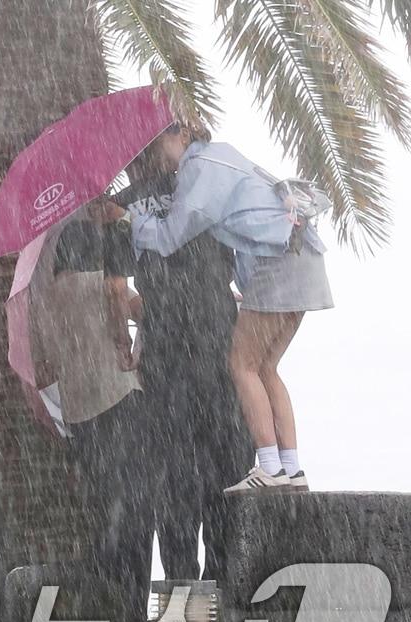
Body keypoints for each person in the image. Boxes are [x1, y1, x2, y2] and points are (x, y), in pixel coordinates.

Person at [105, 125, 332, 496]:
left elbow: (168, 238)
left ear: (182, 136)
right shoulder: (226, 156)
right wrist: (248, 292)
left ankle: (271, 467)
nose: (155, 151)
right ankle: (291, 469)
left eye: (159, 139)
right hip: (301, 257)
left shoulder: (199, 169)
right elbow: (244, 232)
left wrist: (128, 219)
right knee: (266, 368)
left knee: (240, 366)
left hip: (277, 263)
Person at [96, 129, 252, 582]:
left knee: (175, 467)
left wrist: (124, 340)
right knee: (227, 460)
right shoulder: (205, 186)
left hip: (165, 343)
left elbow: (115, 287)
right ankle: (225, 578)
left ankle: (183, 584)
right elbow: (241, 252)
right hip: (218, 334)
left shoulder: (122, 204)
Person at [30, 218, 151, 622]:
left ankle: (108, 605)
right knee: (136, 507)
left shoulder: (45, 297)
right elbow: (142, 308)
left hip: (81, 414)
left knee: (102, 509)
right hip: (120, 399)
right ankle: (134, 608)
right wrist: (123, 336)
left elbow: (43, 366)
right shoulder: (106, 283)